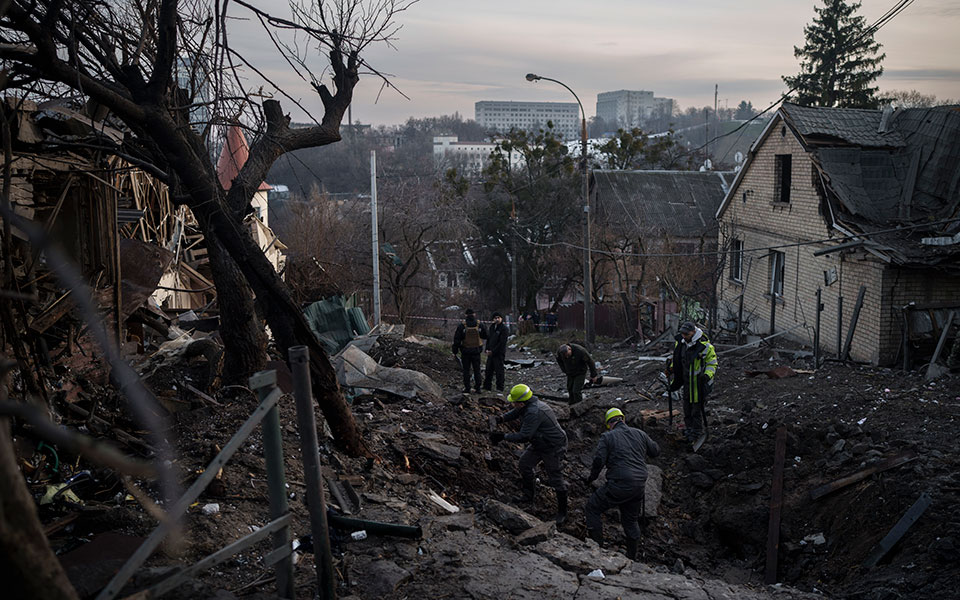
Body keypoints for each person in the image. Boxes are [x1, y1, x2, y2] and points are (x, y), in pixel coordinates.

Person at [584, 408, 660, 560]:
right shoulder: (640, 433)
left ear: (609, 424)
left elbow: (599, 460)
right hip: (639, 485)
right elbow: (655, 451)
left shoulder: (608, 436)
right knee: (630, 520)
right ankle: (632, 557)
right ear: (623, 420)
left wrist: (592, 478)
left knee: (592, 508)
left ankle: (597, 552)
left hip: (619, 483)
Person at [489, 384, 569, 525]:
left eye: (514, 402)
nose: (513, 404)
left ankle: (563, 512)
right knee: (525, 464)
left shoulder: (534, 411)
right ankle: (528, 496)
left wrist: (503, 436)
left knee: (555, 477)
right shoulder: (527, 405)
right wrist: (501, 418)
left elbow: (524, 436)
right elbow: (516, 412)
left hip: (553, 446)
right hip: (540, 442)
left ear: (521, 402)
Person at [668, 321, 718, 444]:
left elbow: (712, 363)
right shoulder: (681, 343)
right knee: (687, 407)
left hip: (699, 383)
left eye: (687, 334)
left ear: (694, 332)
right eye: (683, 333)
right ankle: (689, 428)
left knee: (697, 409)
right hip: (686, 382)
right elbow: (678, 358)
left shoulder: (705, 347)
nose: (684, 336)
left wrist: (707, 375)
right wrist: (672, 368)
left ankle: (697, 431)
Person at [452, 308, 487, 393]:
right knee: (477, 370)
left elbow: (457, 339)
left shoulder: (462, 325)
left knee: (466, 370)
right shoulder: (479, 324)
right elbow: (485, 335)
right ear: (474, 314)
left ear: (465, 315)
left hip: (465, 351)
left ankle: (467, 388)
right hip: (476, 351)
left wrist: (455, 350)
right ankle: (478, 388)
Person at [483, 311, 508, 392]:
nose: (497, 319)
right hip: (490, 353)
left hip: (499, 353)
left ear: (501, 318)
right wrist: (487, 349)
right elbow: (489, 339)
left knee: (499, 371)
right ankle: (487, 386)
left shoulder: (504, 329)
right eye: (495, 318)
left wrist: (493, 351)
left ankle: (500, 387)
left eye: (498, 318)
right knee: (488, 370)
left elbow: (502, 343)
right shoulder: (492, 327)